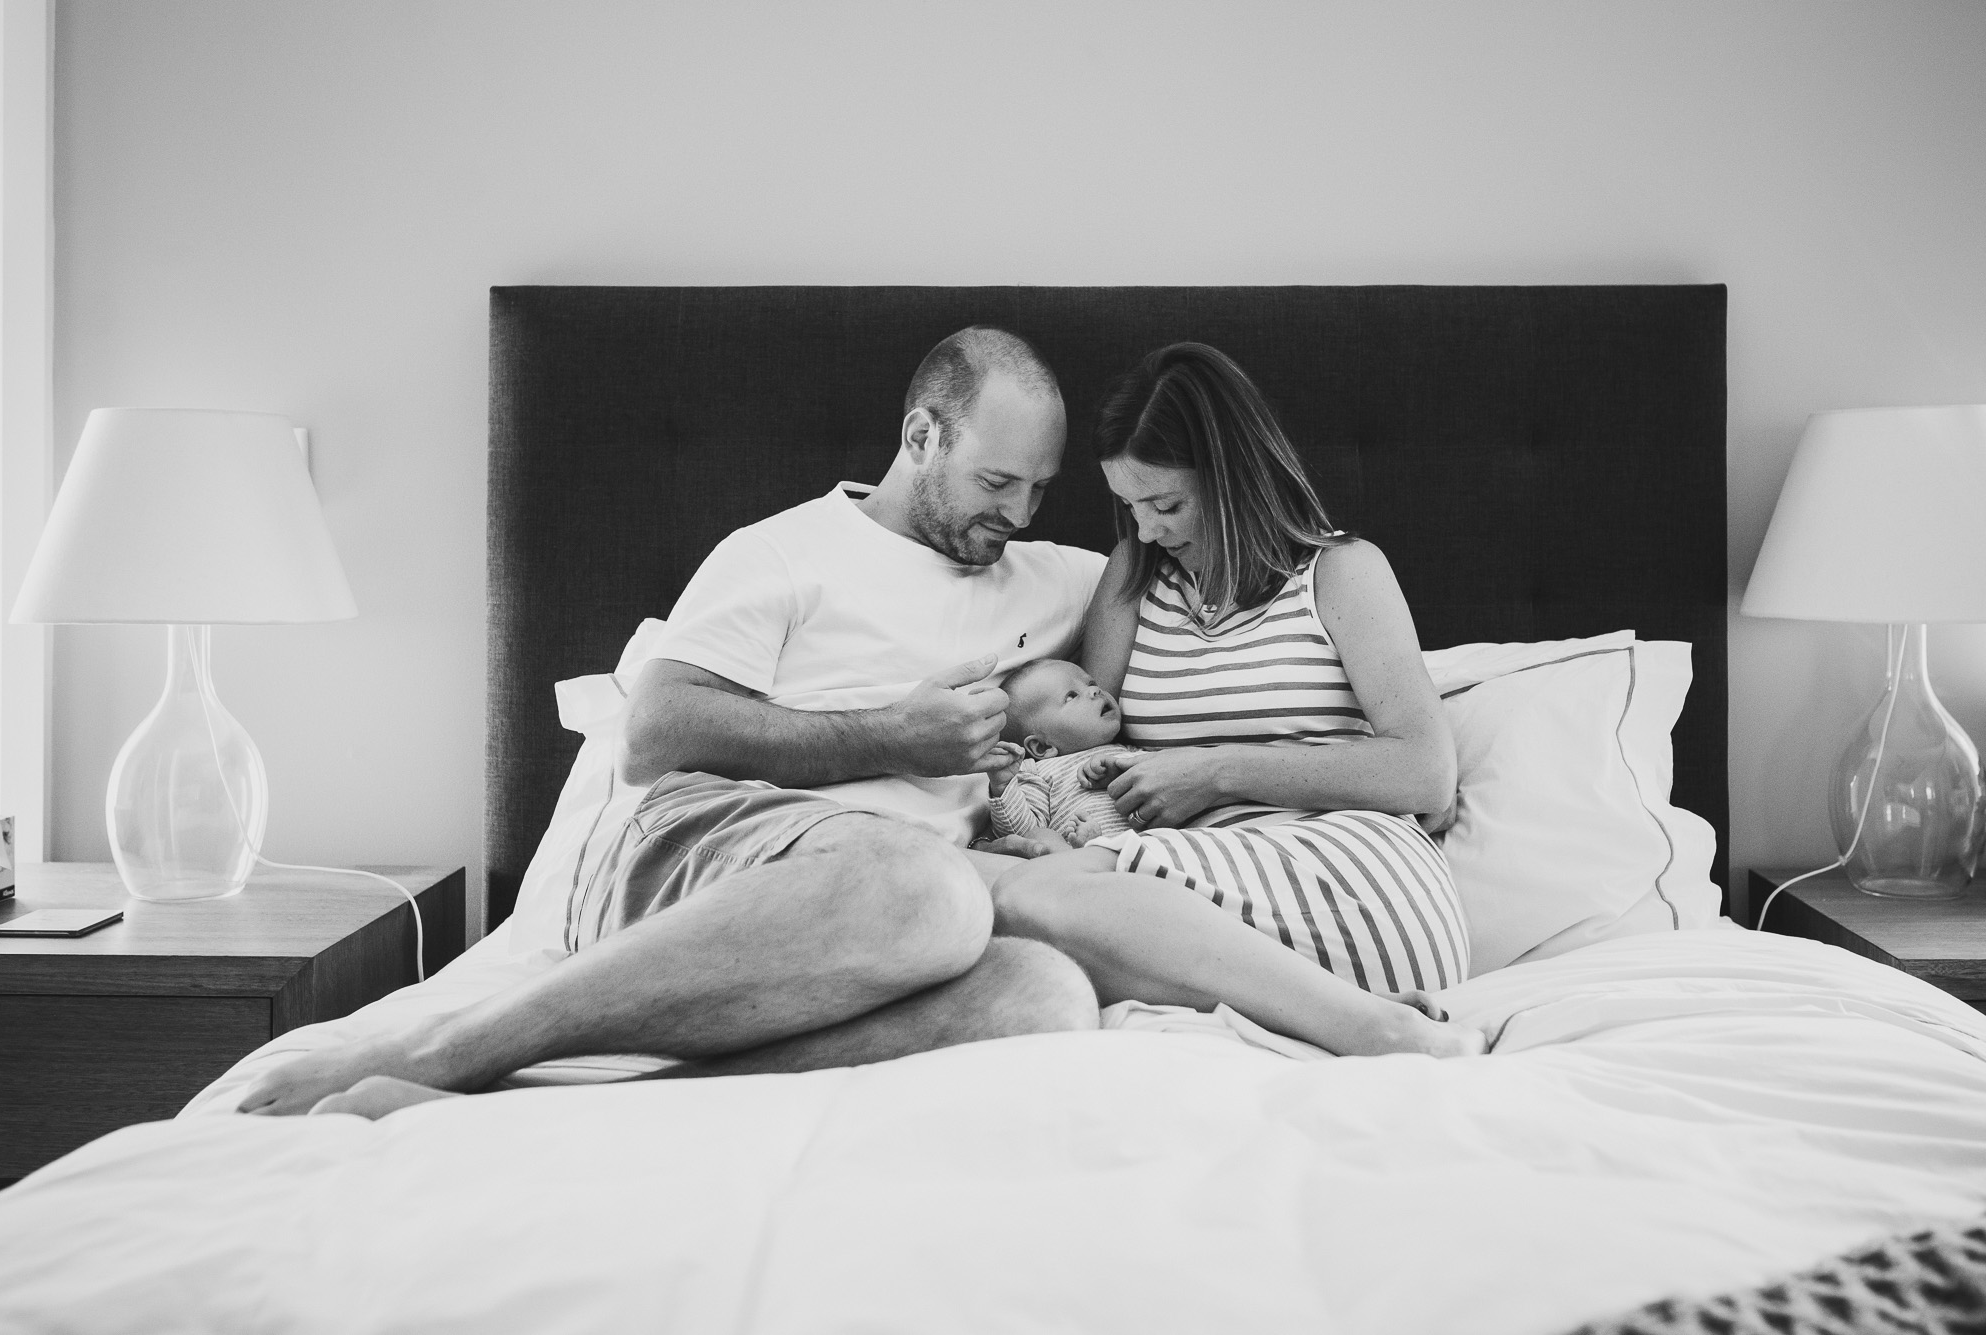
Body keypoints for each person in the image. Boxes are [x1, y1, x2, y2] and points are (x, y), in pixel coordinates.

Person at [238, 325, 1113, 1119]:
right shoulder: (782, 553)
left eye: (1041, 488)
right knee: (933, 889)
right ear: (922, 437)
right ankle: (444, 1049)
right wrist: (892, 734)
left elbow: (1203, 566)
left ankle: (550, 1111)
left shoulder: (1052, 576)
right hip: (709, 842)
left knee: (1047, 996)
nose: (1021, 514)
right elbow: (655, 730)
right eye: (996, 482)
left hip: (893, 917)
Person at [987, 342, 1483, 1056]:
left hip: (1349, 877)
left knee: (1028, 900)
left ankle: (1378, 1029)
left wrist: (1214, 771)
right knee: (999, 894)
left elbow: (1426, 772)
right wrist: (1042, 810)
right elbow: (1087, 740)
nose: (1148, 528)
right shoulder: (1135, 573)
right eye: (1129, 506)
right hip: (1195, 896)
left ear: (1233, 477)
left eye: (1166, 503)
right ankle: (1352, 1015)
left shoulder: (1343, 573)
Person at [984, 658, 1144, 851]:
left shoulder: (1131, 752)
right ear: (1042, 747)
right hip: (1089, 865)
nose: (1095, 691)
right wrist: (1003, 786)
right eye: (1071, 696)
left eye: (1091, 683)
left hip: (1153, 850)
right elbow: (1024, 832)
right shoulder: (1037, 772)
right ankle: (1093, 846)